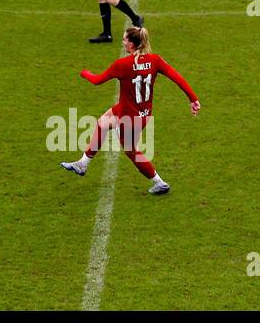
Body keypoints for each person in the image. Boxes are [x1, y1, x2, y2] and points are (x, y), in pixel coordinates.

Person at [58, 26, 200, 196]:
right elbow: (178, 78)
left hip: (129, 117)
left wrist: (83, 72)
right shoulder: (155, 60)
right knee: (103, 123)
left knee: (131, 151)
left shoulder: (123, 64)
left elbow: (97, 81)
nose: (123, 42)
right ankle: (83, 163)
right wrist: (193, 99)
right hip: (142, 113)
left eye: (125, 39)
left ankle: (159, 183)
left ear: (132, 44)